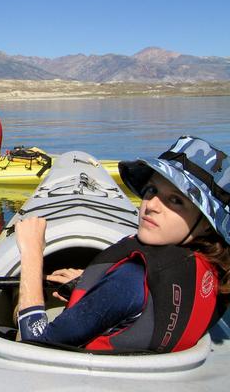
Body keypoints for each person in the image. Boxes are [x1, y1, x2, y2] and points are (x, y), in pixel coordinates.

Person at [14, 136, 230, 353]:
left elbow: (36, 342)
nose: (151, 205)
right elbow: (151, 308)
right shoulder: (216, 272)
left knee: (17, 311)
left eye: (176, 200)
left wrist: (32, 252)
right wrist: (96, 288)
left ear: (206, 225)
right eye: (152, 190)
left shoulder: (130, 279)